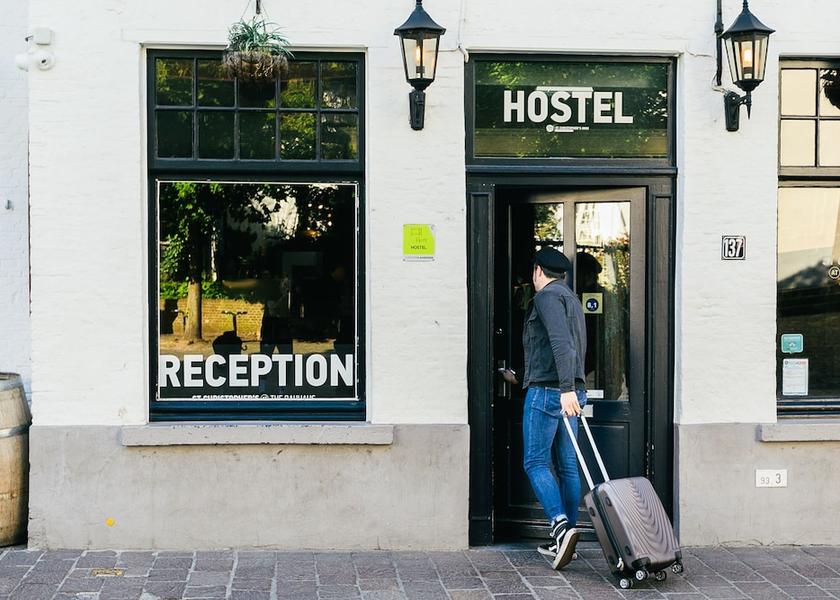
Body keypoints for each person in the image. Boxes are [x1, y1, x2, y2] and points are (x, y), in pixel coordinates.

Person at [503, 247, 588, 569]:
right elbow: (566, 347)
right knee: (567, 466)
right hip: (570, 391)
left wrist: (564, 389)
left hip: (552, 393)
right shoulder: (571, 299)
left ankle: (560, 527)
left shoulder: (547, 298)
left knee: (536, 462)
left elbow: (560, 343)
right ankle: (567, 539)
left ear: (538, 271)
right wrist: (523, 376)